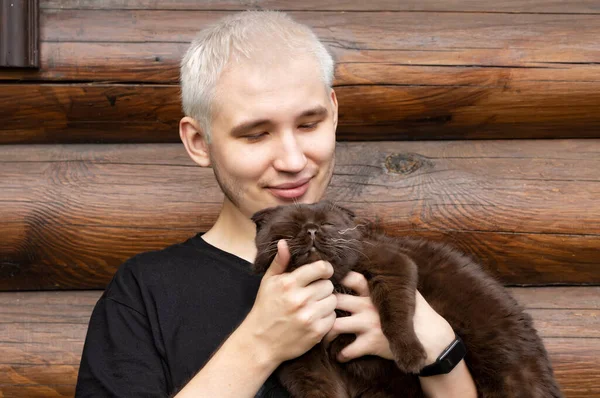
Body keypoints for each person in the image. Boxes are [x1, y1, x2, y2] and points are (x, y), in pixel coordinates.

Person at [75, 11, 477, 398]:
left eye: (308, 124)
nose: (293, 161)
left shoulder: (403, 270)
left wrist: (441, 356)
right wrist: (258, 346)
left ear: (333, 114)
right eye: (255, 134)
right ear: (199, 142)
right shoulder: (144, 293)